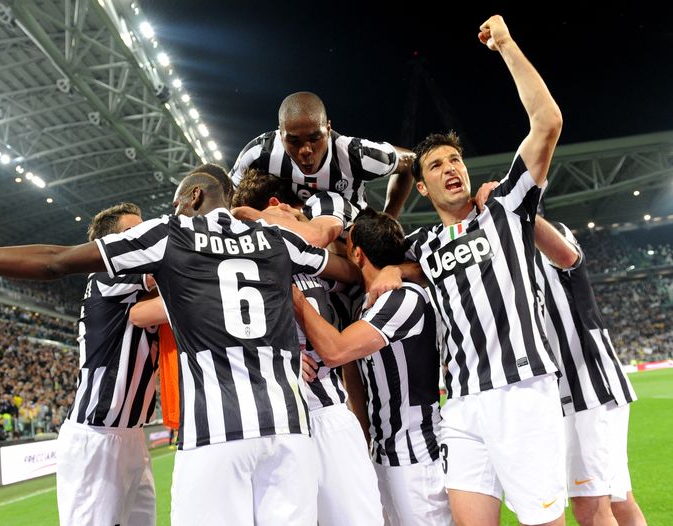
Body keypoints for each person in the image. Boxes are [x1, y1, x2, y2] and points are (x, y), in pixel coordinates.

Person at [0, 169, 357, 526]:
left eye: (173, 202)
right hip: (290, 432)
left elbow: (54, 262)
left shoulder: (169, 237)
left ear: (192, 196)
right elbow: (341, 268)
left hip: (217, 434)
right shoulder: (275, 241)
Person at [376, 15, 566, 526]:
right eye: (436, 166)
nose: (450, 169)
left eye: (455, 160)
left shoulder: (506, 207)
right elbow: (363, 254)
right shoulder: (422, 245)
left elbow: (547, 123)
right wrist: (387, 273)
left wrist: (505, 45)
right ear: (421, 187)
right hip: (460, 403)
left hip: (522, 393)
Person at [230, 169, 384, 525]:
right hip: (274, 426)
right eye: (292, 210)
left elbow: (350, 270)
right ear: (275, 205)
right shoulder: (237, 267)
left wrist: (392, 272)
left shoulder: (315, 259)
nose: (299, 214)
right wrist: (273, 353)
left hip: (327, 413)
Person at [293, 210, 452, 526]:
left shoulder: (403, 298)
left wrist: (292, 295)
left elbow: (336, 350)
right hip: (383, 456)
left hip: (416, 459)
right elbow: (353, 376)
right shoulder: (365, 302)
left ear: (357, 253)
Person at [531, 216, 647, 526]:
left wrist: (518, 209)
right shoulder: (502, 257)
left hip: (588, 388)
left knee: (590, 508)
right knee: (620, 501)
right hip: (568, 395)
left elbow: (568, 258)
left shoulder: (549, 235)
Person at [56, 203, 159, 526]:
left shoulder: (137, 294)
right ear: (110, 246)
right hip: (97, 436)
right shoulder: (107, 274)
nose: (143, 239)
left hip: (133, 435)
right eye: (133, 234)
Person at [230, 91, 416, 221]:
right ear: (280, 134)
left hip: (347, 237)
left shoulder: (356, 154)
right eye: (294, 141)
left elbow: (411, 161)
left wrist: (390, 217)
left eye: (315, 138)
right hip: (290, 233)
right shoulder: (259, 152)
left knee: (329, 204)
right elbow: (228, 195)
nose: (305, 150)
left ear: (328, 129)